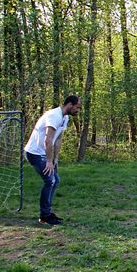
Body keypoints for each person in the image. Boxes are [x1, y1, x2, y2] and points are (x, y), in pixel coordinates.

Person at [24, 95, 82, 225]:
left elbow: (58, 139)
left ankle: (47, 213)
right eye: (77, 107)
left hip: (44, 154)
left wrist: (55, 158)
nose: (78, 110)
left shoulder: (65, 118)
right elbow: (48, 140)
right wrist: (48, 161)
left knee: (56, 181)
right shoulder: (54, 116)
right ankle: (45, 216)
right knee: (50, 181)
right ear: (70, 105)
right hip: (34, 153)